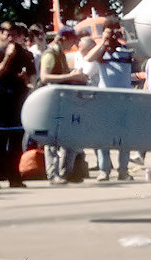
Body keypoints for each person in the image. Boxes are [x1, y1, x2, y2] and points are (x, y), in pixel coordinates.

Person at [79, 16, 135, 181]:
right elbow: (88, 58)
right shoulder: (101, 52)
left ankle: (123, 170)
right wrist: (103, 42)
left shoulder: (125, 50)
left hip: (124, 99)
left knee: (124, 136)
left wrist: (124, 38)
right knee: (104, 136)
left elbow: (139, 55)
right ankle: (104, 170)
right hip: (105, 100)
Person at [38, 28, 87, 183]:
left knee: (67, 136)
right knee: (52, 138)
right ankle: (53, 174)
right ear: (64, 38)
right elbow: (44, 77)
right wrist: (70, 76)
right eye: (72, 40)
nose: (73, 44)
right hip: (51, 101)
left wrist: (74, 75)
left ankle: (66, 172)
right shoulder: (50, 54)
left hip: (60, 101)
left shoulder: (60, 55)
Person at [0, 22, 37, 188]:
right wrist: (7, 58)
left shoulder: (25, 54)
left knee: (15, 140)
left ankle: (14, 176)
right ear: (0, 33)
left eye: (13, 33)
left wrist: (26, 80)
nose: (10, 36)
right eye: (7, 32)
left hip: (16, 101)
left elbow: (32, 77)